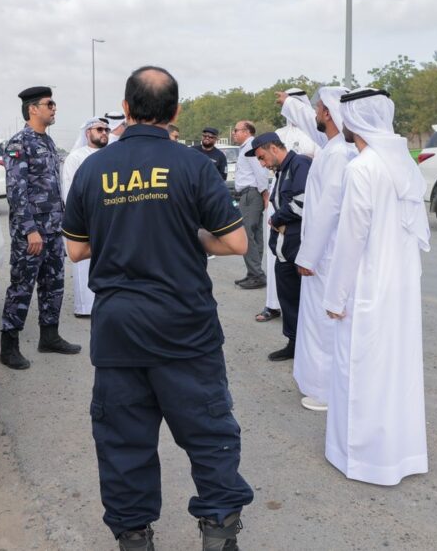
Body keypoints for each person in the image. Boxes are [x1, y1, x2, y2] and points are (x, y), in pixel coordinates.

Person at [62, 66, 254, 550]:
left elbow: (77, 251)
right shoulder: (192, 165)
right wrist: (189, 236)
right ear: (175, 111)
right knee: (209, 432)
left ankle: (133, 536)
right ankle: (219, 530)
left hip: (118, 330)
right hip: (185, 325)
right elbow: (235, 242)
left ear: (125, 108)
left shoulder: (93, 168)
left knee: (124, 441)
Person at [322, 88, 431, 486]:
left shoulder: (363, 167)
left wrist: (335, 297)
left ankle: (365, 458)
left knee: (362, 370)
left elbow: (351, 240)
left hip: (369, 285)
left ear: (356, 120)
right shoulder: (402, 162)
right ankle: (401, 454)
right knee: (397, 370)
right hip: (401, 286)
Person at [279, 87, 355, 411]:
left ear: (328, 113)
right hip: (327, 250)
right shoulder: (333, 148)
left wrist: (307, 256)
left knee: (323, 324)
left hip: (325, 254)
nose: (314, 114)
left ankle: (324, 391)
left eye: (319, 108)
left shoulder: (338, 154)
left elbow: (327, 210)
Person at [0, 86, 81, 370]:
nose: (54, 108)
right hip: (32, 232)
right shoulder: (18, 143)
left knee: (53, 284)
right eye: (50, 104)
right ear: (33, 108)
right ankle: (8, 347)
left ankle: (49, 337)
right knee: (21, 287)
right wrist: (29, 229)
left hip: (53, 228)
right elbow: (16, 190)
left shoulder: (46, 141)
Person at [248, 133, 312, 362]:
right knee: (289, 299)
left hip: (298, 247)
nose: (263, 163)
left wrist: (277, 219)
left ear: (274, 148)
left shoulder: (299, 164)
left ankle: (304, 346)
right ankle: (293, 342)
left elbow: (304, 202)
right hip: (285, 248)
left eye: (262, 157)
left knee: (302, 300)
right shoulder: (281, 171)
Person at [61, 116, 110, 318]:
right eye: (99, 129)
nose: (104, 133)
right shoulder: (76, 157)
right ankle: (85, 308)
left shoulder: (111, 155)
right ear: (88, 132)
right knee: (84, 265)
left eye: (106, 130)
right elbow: (69, 192)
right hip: (85, 220)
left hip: (107, 217)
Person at [231, 120, 269, 289]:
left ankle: (257, 275)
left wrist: (264, 193)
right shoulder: (247, 146)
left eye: (236, 130)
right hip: (252, 193)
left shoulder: (250, 146)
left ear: (246, 131)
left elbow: (260, 171)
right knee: (255, 234)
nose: (233, 133)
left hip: (251, 194)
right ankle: (254, 272)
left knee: (247, 235)